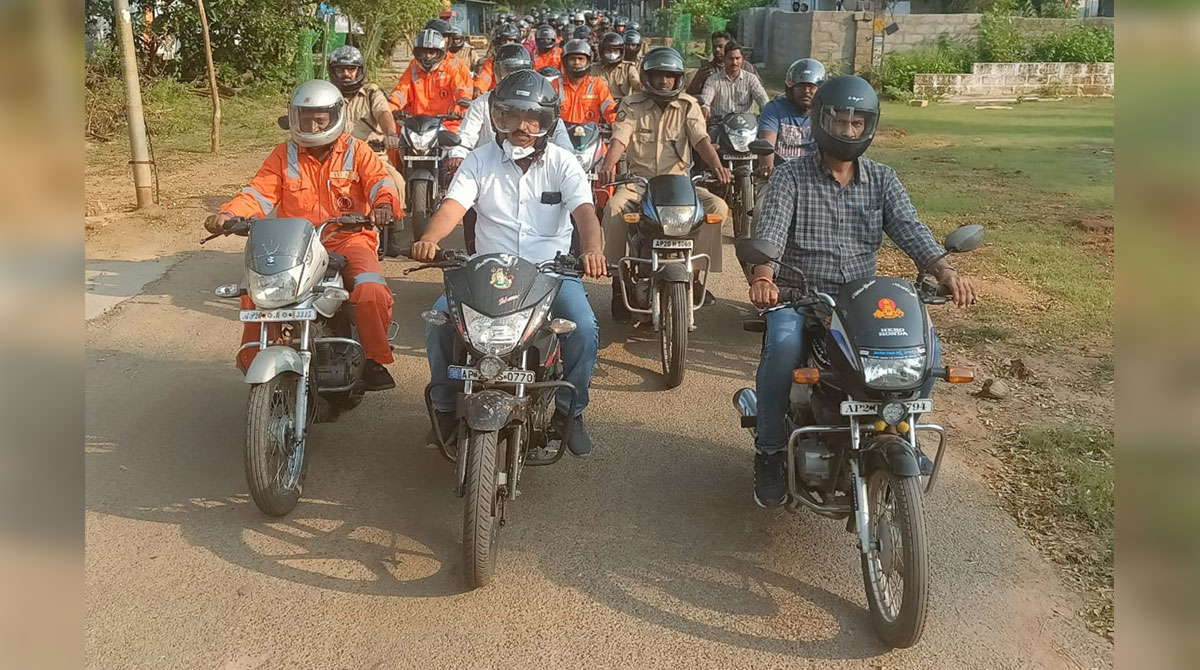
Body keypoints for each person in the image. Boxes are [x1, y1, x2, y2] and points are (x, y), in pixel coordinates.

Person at [747, 75, 977, 507]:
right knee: (781, 344)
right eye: (840, 121)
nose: (848, 131)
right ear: (820, 122)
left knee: (928, 350)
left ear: (869, 126)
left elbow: (910, 228)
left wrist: (944, 271)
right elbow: (772, 231)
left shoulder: (883, 179)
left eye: (858, 123)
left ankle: (902, 429)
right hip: (803, 298)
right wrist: (764, 276)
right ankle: (770, 450)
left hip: (861, 303)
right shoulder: (790, 177)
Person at [412, 70, 606, 456]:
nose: (521, 126)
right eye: (511, 115)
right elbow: (453, 207)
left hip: (550, 274)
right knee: (438, 324)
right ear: (497, 117)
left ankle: (571, 412)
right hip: (487, 272)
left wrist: (593, 250)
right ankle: (446, 407)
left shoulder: (564, 164)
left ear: (547, 121)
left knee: (583, 328)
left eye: (531, 117)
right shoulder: (479, 161)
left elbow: (586, 214)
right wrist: (430, 239)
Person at [205, 79, 402, 390]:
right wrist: (230, 214)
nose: (313, 124)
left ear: (336, 116)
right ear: (293, 117)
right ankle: (254, 357)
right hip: (293, 245)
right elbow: (258, 193)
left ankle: (374, 359)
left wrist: (384, 205)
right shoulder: (283, 154)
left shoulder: (357, 151)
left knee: (370, 290)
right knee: (256, 294)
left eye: (320, 117)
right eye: (305, 116)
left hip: (347, 239)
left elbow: (381, 183)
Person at [597, 47, 732, 318]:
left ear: (678, 78)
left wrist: (718, 166)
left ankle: (696, 275)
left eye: (670, 76)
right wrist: (608, 165)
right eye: (658, 75)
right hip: (640, 183)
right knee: (613, 210)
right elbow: (619, 139)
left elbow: (701, 139)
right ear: (647, 76)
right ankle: (617, 279)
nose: (664, 81)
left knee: (717, 208)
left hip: (679, 185)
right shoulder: (631, 104)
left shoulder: (688, 105)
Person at [449, 45, 575, 253]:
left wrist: (569, 165)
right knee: (467, 209)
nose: (512, 77)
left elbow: (561, 138)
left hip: (540, 171)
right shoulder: (483, 103)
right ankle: (474, 257)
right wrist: (458, 155)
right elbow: (466, 136)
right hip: (488, 176)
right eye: (507, 71)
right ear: (497, 72)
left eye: (517, 71)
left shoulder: (542, 104)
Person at [328, 45, 408, 247]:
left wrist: (391, 134)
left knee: (396, 181)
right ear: (333, 71)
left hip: (373, 156)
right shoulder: (327, 95)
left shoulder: (372, 92)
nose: (346, 74)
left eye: (351, 69)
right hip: (334, 158)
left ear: (360, 70)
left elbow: (384, 113)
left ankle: (392, 230)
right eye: (340, 69)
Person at [389, 29, 472, 131]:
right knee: (394, 140)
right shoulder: (412, 71)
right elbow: (400, 92)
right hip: (416, 125)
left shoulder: (450, 70)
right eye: (423, 52)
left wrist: (462, 107)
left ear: (440, 53)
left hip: (445, 124)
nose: (427, 56)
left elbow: (461, 90)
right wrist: (390, 108)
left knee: (459, 144)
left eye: (431, 52)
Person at [758, 58, 825, 177]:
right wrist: (767, 166)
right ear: (791, 88)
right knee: (764, 195)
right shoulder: (774, 108)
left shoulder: (825, 113)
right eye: (801, 86)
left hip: (813, 177)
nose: (806, 91)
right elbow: (767, 143)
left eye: (811, 87)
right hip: (779, 175)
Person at [699, 40, 769, 122]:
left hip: (745, 126)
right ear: (724, 59)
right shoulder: (712, 80)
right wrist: (705, 108)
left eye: (737, 58)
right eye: (731, 59)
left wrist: (766, 114)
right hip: (720, 126)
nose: (734, 62)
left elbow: (764, 101)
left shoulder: (751, 79)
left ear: (742, 59)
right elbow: (705, 102)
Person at [560, 39, 617, 125]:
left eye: (581, 59)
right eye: (572, 59)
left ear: (588, 61)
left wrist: (615, 125)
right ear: (565, 61)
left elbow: (609, 108)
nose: (577, 62)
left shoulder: (598, 84)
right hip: (561, 136)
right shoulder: (555, 85)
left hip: (590, 136)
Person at [686, 30, 757, 97]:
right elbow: (690, 94)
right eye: (714, 47)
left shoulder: (745, 66)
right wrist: (698, 80)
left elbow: (758, 89)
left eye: (720, 46)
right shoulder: (707, 69)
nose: (717, 50)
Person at [476, 23, 522, 96]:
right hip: (496, 97)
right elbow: (485, 76)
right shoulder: (493, 61)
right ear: (499, 41)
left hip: (518, 96)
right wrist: (479, 88)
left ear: (516, 41)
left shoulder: (523, 61)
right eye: (504, 40)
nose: (507, 43)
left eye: (510, 40)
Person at [593, 32, 639, 100]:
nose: (612, 54)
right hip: (599, 104)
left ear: (620, 52)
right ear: (602, 51)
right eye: (608, 51)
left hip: (623, 107)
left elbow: (638, 86)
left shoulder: (628, 68)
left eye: (615, 51)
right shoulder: (593, 69)